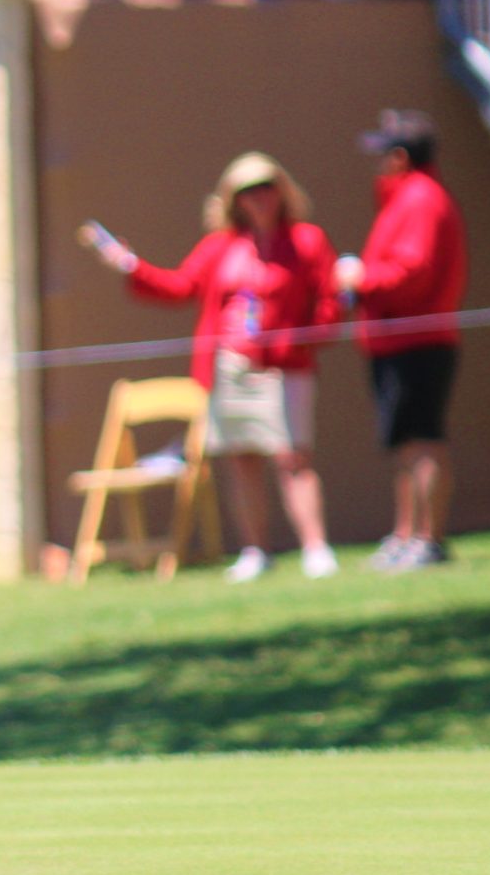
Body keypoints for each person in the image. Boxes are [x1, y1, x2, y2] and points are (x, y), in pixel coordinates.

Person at [87, 153, 340, 580]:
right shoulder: (221, 246)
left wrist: (301, 340)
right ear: (234, 201)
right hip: (228, 366)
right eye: (247, 193)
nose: (258, 199)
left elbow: (328, 300)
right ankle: (255, 550)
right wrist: (132, 266)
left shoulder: (306, 240)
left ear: (281, 191)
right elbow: (180, 285)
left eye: (266, 188)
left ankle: (315, 548)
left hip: (282, 365)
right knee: (240, 459)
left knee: (293, 457)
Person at [336, 111, 467, 570]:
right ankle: (406, 534)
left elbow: (412, 272)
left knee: (423, 441)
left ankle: (427, 540)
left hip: (418, 339)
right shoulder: (406, 199)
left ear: (399, 157)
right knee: (405, 445)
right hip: (394, 341)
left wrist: (361, 278)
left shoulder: (421, 200)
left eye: (381, 155)